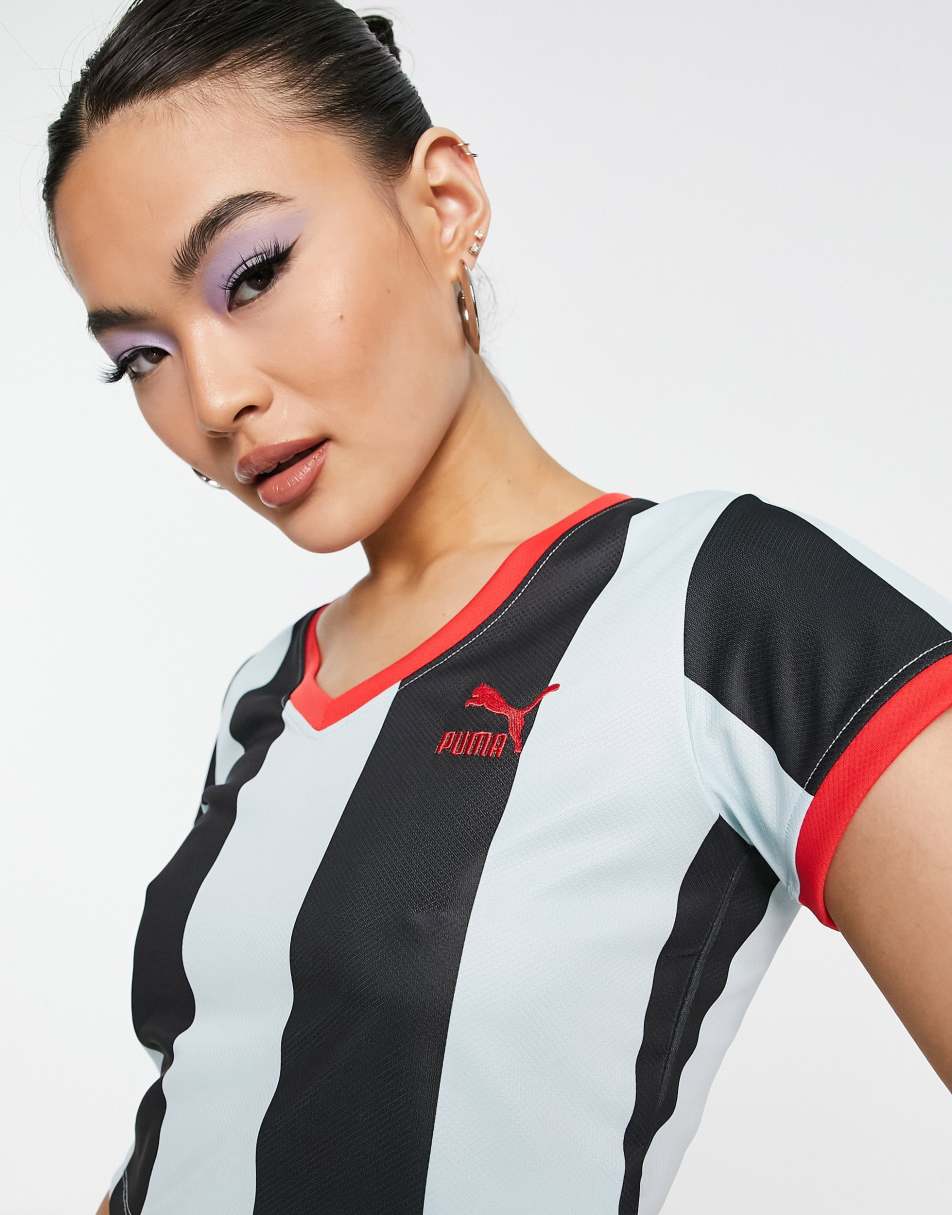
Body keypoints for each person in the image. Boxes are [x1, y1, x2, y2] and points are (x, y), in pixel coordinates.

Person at [41, 2, 952, 1213]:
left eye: (252, 274)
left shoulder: (722, 604)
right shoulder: (264, 697)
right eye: (142, 356)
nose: (211, 398)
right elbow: (196, 1122)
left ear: (444, 204)